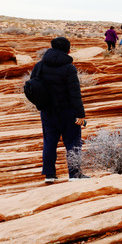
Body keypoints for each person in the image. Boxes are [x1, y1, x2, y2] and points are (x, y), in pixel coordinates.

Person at [34, 37, 87, 183]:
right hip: (68, 112)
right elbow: (74, 93)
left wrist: (40, 105)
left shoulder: (40, 65)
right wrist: (80, 114)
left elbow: (33, 86)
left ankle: (49, 175)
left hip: (47, 111)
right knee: (73, 142)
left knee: (49, 142)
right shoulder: (69, 68)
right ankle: (75, 175)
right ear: (68, 50)